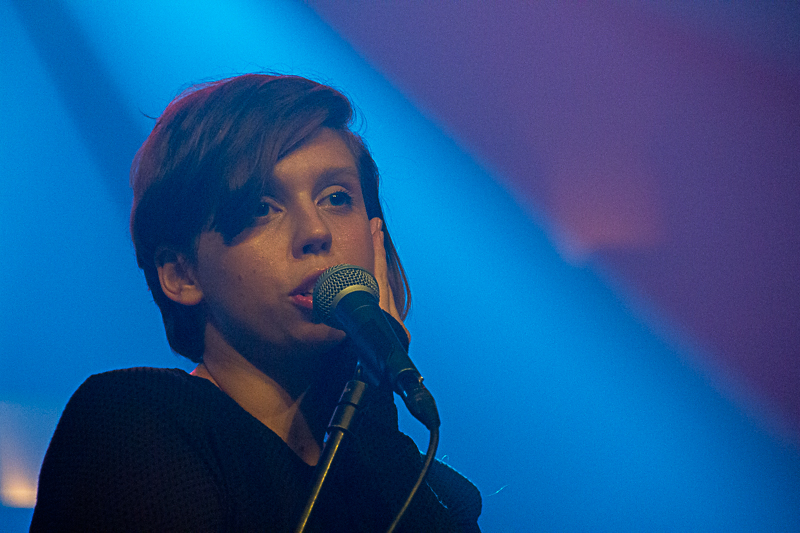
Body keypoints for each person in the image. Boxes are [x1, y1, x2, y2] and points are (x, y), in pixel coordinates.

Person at [30, 73, 481, 532]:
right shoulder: (133, 424)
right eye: (261, 207)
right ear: (182, 273)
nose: (316, 232)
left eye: (336, 198)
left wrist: (370, 386)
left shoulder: (438, 496)